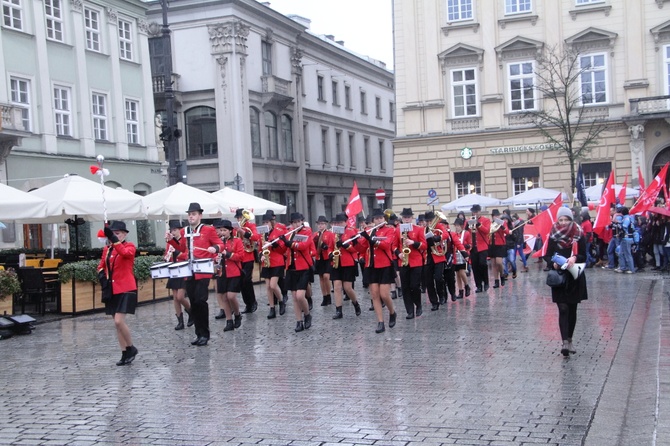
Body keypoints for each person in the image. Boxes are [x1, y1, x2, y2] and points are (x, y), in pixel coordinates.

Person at [167, 203, 223, 347]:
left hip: (203, 271)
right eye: (189, 214)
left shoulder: (208, 230)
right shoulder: (185, 231)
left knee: (200, 301)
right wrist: (171, 240)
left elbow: (220, 244)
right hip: (188, 271)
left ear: (200, 216)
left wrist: (214, 248)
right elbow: (181, 248)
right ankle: (199, 333)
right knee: (193, 301)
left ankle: (204, 334)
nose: (191, 216)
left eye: (194, 214)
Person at [547, 207, 588, 357]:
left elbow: (584, 255)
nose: (563, 222)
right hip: (559, 277)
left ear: (571, 220)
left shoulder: (579, 234)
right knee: (563, 308)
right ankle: (564, 342)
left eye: (566, 219)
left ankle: (570, 339)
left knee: (572, 309)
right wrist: (553, 264)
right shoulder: (552, 235)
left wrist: (575, 258)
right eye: (561, 219)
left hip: (574, 276)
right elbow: (547, 255)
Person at [98, 221, 138, 366]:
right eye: (113, 233)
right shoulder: (107, 249)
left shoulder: (130, 246)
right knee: (117, 325)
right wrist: (102, 275)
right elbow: (101, 265)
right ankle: (124, 352)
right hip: (112, 289)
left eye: (118, 233)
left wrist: (114, 240)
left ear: (125, 234)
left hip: (126, 287)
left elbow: (125, 253)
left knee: (118, 321)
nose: (115, 236)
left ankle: (131, 347)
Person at [356, 209, 397, 333]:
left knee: (384, 295)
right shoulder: (370, 230)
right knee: (374, 295)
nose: (379, 220)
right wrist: (354, 241)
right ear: (373, 220)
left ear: (384, 219)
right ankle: (380, 322)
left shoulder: (389, 229)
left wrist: (372, 239)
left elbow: (387, 244)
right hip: (371, 266)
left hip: (384, 265)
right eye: (376, 218)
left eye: (381, 218)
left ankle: (392, 312)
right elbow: (361, 248)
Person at [279, 213, 314, 332]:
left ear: (302, 221)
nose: (296, 224)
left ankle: (307, 314)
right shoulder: (289, 233)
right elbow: (283, 250)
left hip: (303, 268)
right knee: (294, 297)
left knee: (300, 296)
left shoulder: (307, 231)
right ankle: (299, 321)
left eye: (298, 222)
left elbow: (303, 246)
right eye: (294, 222)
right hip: (291, 268)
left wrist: (289, 243)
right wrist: (278, 243)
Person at [213, 219, 244, 332]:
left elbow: (241, 256)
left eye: (224, 230)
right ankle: (229, 320)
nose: (222, 232)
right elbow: (214, 255)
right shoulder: (218, 242)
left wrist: (228, 254)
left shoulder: (237, 241)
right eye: (221, 230)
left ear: (230, 231)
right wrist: (215, 258)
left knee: (231, 296)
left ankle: (237, 314)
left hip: (234, 271)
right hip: (222, 272)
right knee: (224, 297)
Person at [329, 213, 362, 319]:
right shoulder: (333, 233)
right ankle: (339, 310)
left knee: (347, 288)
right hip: (336, 262)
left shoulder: (351, 232)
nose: (339, 224)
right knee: (337, 287)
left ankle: (356, 303)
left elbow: (356, 249)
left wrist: (345, 245)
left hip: (348, 262)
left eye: (341, 222)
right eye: (337, 222)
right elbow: (330, 247)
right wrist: (330, 253)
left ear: (345, 222)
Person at [396, 208, 427, 319]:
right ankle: (409, 310)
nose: (407, 219)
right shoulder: (398, 229)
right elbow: (393, 245)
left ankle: (418, 305)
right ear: (402, 218)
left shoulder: (418, 229)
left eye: (408, 217)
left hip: (416, 261)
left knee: (414, 285)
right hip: (403, 261)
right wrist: (398, 253)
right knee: (405, 287)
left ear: (412, 218)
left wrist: (413, 242)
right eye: (405, 217)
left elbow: (424, 245)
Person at [165, 220, 192, 330]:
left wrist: (177, 253)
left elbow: (187, 255)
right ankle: (180, 321)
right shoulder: (169, 242)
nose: (174, 232)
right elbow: (167, 254)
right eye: (172, 230)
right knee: (175, 298)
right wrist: (167, 257)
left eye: (175, 230)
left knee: (180, 297)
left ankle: (191, 311)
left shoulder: (185, 241)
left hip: (183, 269)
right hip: (173, 269)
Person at [259, 210, 287, 319]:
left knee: (273, 285)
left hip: (277, 261)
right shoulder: (262, 234)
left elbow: (283, 248)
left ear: (272, 222)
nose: (265, 224)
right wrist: (261, 254)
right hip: (266, 261)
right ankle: (272, 308)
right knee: (268, 287)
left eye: (267, 222)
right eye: (264, 222)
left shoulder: (278, 231)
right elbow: (259, 247)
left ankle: (281, 301)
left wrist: (274, 244)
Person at [234, 208, 261, 314]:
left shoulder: (251, 226)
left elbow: (256, 237)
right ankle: (247, 304)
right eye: (238, 218)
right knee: (241, 282)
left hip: (248, 256)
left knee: (247, 280)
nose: (240, 219)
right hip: (239, 257)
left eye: (241, 217)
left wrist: (244, 233)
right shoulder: (235, 228)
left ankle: (253, 302)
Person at [422, 211, 448, 310]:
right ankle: (434, 302)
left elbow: (446, 234)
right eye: (427, 221)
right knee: (428, 281)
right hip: (427, 257)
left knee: (438, 278)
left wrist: (438, 237)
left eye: (430, 220)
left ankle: (441, 295)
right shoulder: (423, 229)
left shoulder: (439, 226)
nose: (429, 222)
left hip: (438, 256)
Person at [312, 215, 334, 306]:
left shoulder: (329, 234)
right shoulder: (315, 234)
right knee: (321, 277)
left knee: (326, 276)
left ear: (326, 224)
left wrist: (326, 247)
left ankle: (328, 295)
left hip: (326, 257)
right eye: (319, 224)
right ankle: (324, 296)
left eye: (322, 224)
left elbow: (332, 245)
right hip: (319, 257)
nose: (321, 226)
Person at [469, 204, 491, 292]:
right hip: (473, 246)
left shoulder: (486, 220)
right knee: (475, 266)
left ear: (479, 212)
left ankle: (486, 282)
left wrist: (478, 225)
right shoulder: (470, 220)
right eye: (473, 212)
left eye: (475, 212)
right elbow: (468, 232)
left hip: (482, 246)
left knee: (482, 264)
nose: (474, 214)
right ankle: (478, 285)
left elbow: (487, 231)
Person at [489, 209, 508, 288]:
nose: (496, 217)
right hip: (491, 245)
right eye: (494, 216)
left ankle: (502, 275)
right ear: (492, 217)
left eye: (497, 216)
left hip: (500, 245)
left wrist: (502, 227)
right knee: (493, 263)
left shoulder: (503, 223)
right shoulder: (490, 224)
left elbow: (507, 232)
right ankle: (496, 281)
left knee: (499, 262)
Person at [452, 218, 471, 299]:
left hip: (463, 255)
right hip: (456, 255)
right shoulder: (454, 234)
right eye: (456, 226)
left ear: (462, 226)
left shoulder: (466, 233)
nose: (457, 227)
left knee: (462, 272)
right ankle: (460, 291)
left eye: (458, 226)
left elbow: (470, 244)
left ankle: (467, 286)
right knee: (457, 274)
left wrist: (467, 247)